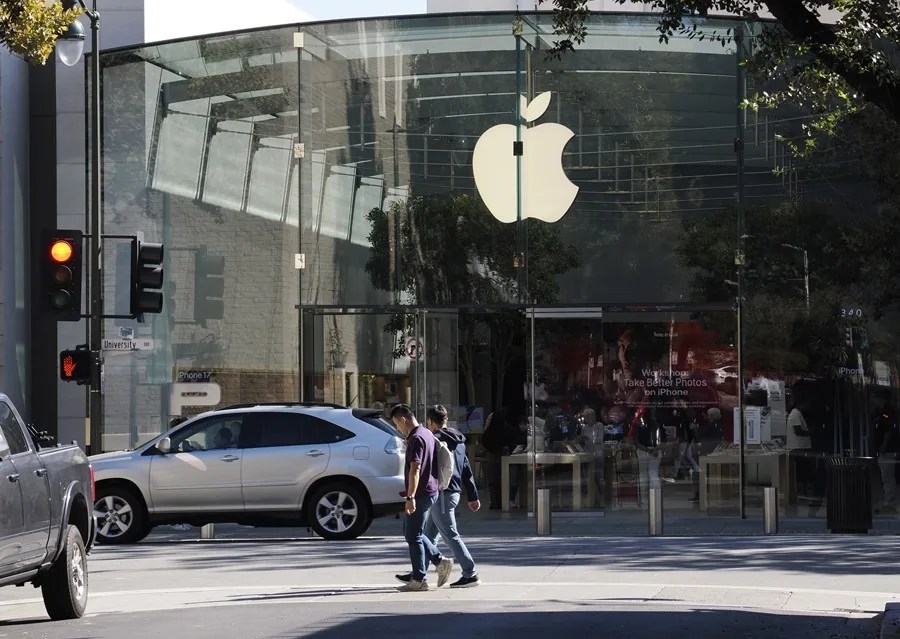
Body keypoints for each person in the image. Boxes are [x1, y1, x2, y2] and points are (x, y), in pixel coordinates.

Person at [396, 405, 482, 588]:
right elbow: (466, 468)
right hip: (453, 491)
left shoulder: (432, 438)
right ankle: (419, 572)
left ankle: (470, 572)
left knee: (450, 534)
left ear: (430, 422)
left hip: (442, 492)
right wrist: (473, 495)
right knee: (427, 534)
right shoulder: (458, 439)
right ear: (446, 419)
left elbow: (422, 466)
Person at [390, 404, 454, 592]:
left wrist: (410, 497)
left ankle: (419, 578)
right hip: (430, 490)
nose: (397, 428)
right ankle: (438, 561)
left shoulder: (417, 438)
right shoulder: (425, 433)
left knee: (413, 536)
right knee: (411, 532)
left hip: (420, 493)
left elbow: (415, 470)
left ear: (403, 420)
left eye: (396, 424)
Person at [873, 403, 898, 510]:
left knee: (887, 477)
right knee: (887, 477)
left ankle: (890, 501)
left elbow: (888, 434)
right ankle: (889, 499)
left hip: (887, 453)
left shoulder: (887, 420)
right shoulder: (891, 420)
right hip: (888, 452)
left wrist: (882, 448)